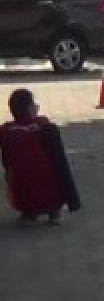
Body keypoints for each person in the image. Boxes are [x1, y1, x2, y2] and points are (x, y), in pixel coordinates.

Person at [0, 89, 81, 224]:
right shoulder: (44, 127)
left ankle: (29, 212)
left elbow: (6, 161)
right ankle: (54, 213)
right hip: (50, 192)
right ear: (30, 108)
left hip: (23, 193)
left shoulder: (6, 131)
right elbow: (59, 160)